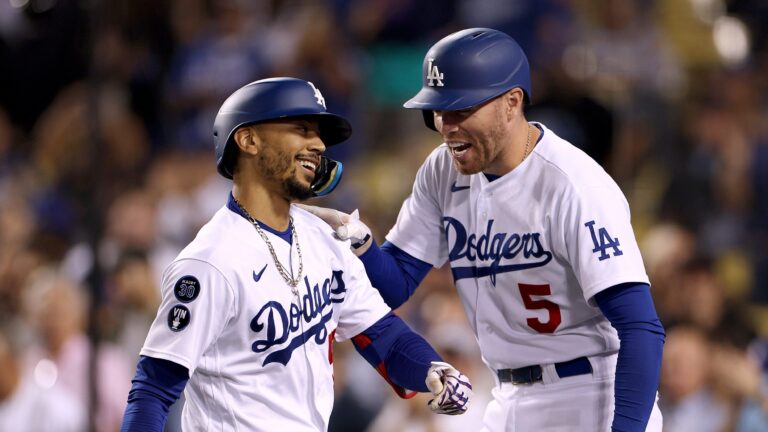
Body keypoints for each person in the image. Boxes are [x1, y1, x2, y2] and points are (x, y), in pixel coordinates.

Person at [302, 28, 666, 431]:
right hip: (505, 396)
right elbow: (395, 284)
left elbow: (640, 327)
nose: (446, 125)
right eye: (437, 111)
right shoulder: (442, 171)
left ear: (511, 103)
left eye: (460, 110)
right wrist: (360, 242)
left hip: (590, 393)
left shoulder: (573, 184)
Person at [119, 77, 472, 431]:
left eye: (317, 133)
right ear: (248, 139)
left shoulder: (323, 238)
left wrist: (431, 369)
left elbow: (384, 336)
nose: (318, 143)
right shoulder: (210, 262)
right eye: (301, 128)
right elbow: (153, 389)